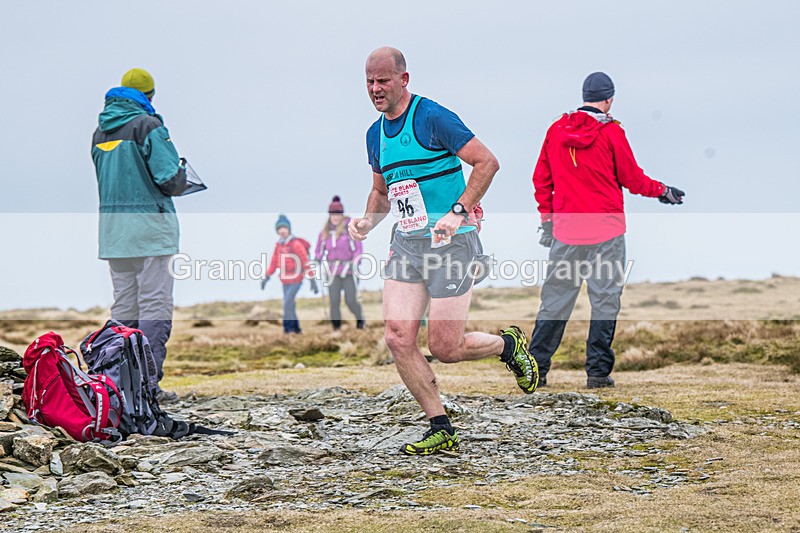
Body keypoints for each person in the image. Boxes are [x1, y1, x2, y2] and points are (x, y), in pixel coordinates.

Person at [348, 47, 538, 456]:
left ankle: (508, 345)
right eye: (369, 82)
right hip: (407, 243)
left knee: (446, 349)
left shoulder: (433, 118)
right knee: (398, 337)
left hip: (452, 243)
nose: (376, 89)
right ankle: (440, 425)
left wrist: (458, 211)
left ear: (404, 79)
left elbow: (487, 162)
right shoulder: (374, 134)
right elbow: (382, 192)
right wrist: (366, 221)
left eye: (383, 80)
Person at [529, 71, 686, 389]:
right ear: (609, 98)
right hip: (606, 233)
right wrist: (662, 191)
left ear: (584, 95)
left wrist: (547, 220)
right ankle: (598, 374)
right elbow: (632, 178)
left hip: (566, 232)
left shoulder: (556, 130)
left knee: (556, 301)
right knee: (605, 301)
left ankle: (535, 369)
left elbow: (541, 179)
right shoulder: (613, 133)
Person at [91, 68, 188, 403]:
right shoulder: (149, 125)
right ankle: (147, 387)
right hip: (149, 231)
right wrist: (182, 173)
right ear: (150, 95)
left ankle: (114, 385)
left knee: (123, 309)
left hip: (114, 233)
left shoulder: (100, 132)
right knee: (154, 307)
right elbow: (168, 178)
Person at [315, 196, 365, 330]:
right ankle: (336, 329)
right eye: (333, 215)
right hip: (332, 273)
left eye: (338, 214)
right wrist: (318, 258)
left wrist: (356, 262)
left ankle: (360, 321)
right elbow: (319, 250)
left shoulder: (350, 230)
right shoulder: (324, 233)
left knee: (350, 300)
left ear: (342, 215)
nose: (335, 217)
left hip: (348, 271)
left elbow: (358, 248)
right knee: (334, 301)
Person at [262, 214, 318, 334]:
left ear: (289, 229)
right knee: (290, 305)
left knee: (287, 303)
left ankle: (288, 330)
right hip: (285, 280)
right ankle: (296, 330)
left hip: (296, 279)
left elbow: (305, 261)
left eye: (284, 228)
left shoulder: (295, 244)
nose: (282, 231)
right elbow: (273, 263)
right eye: (279, 229)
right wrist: (266, 277)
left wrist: (312, 279)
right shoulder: (278, 246)